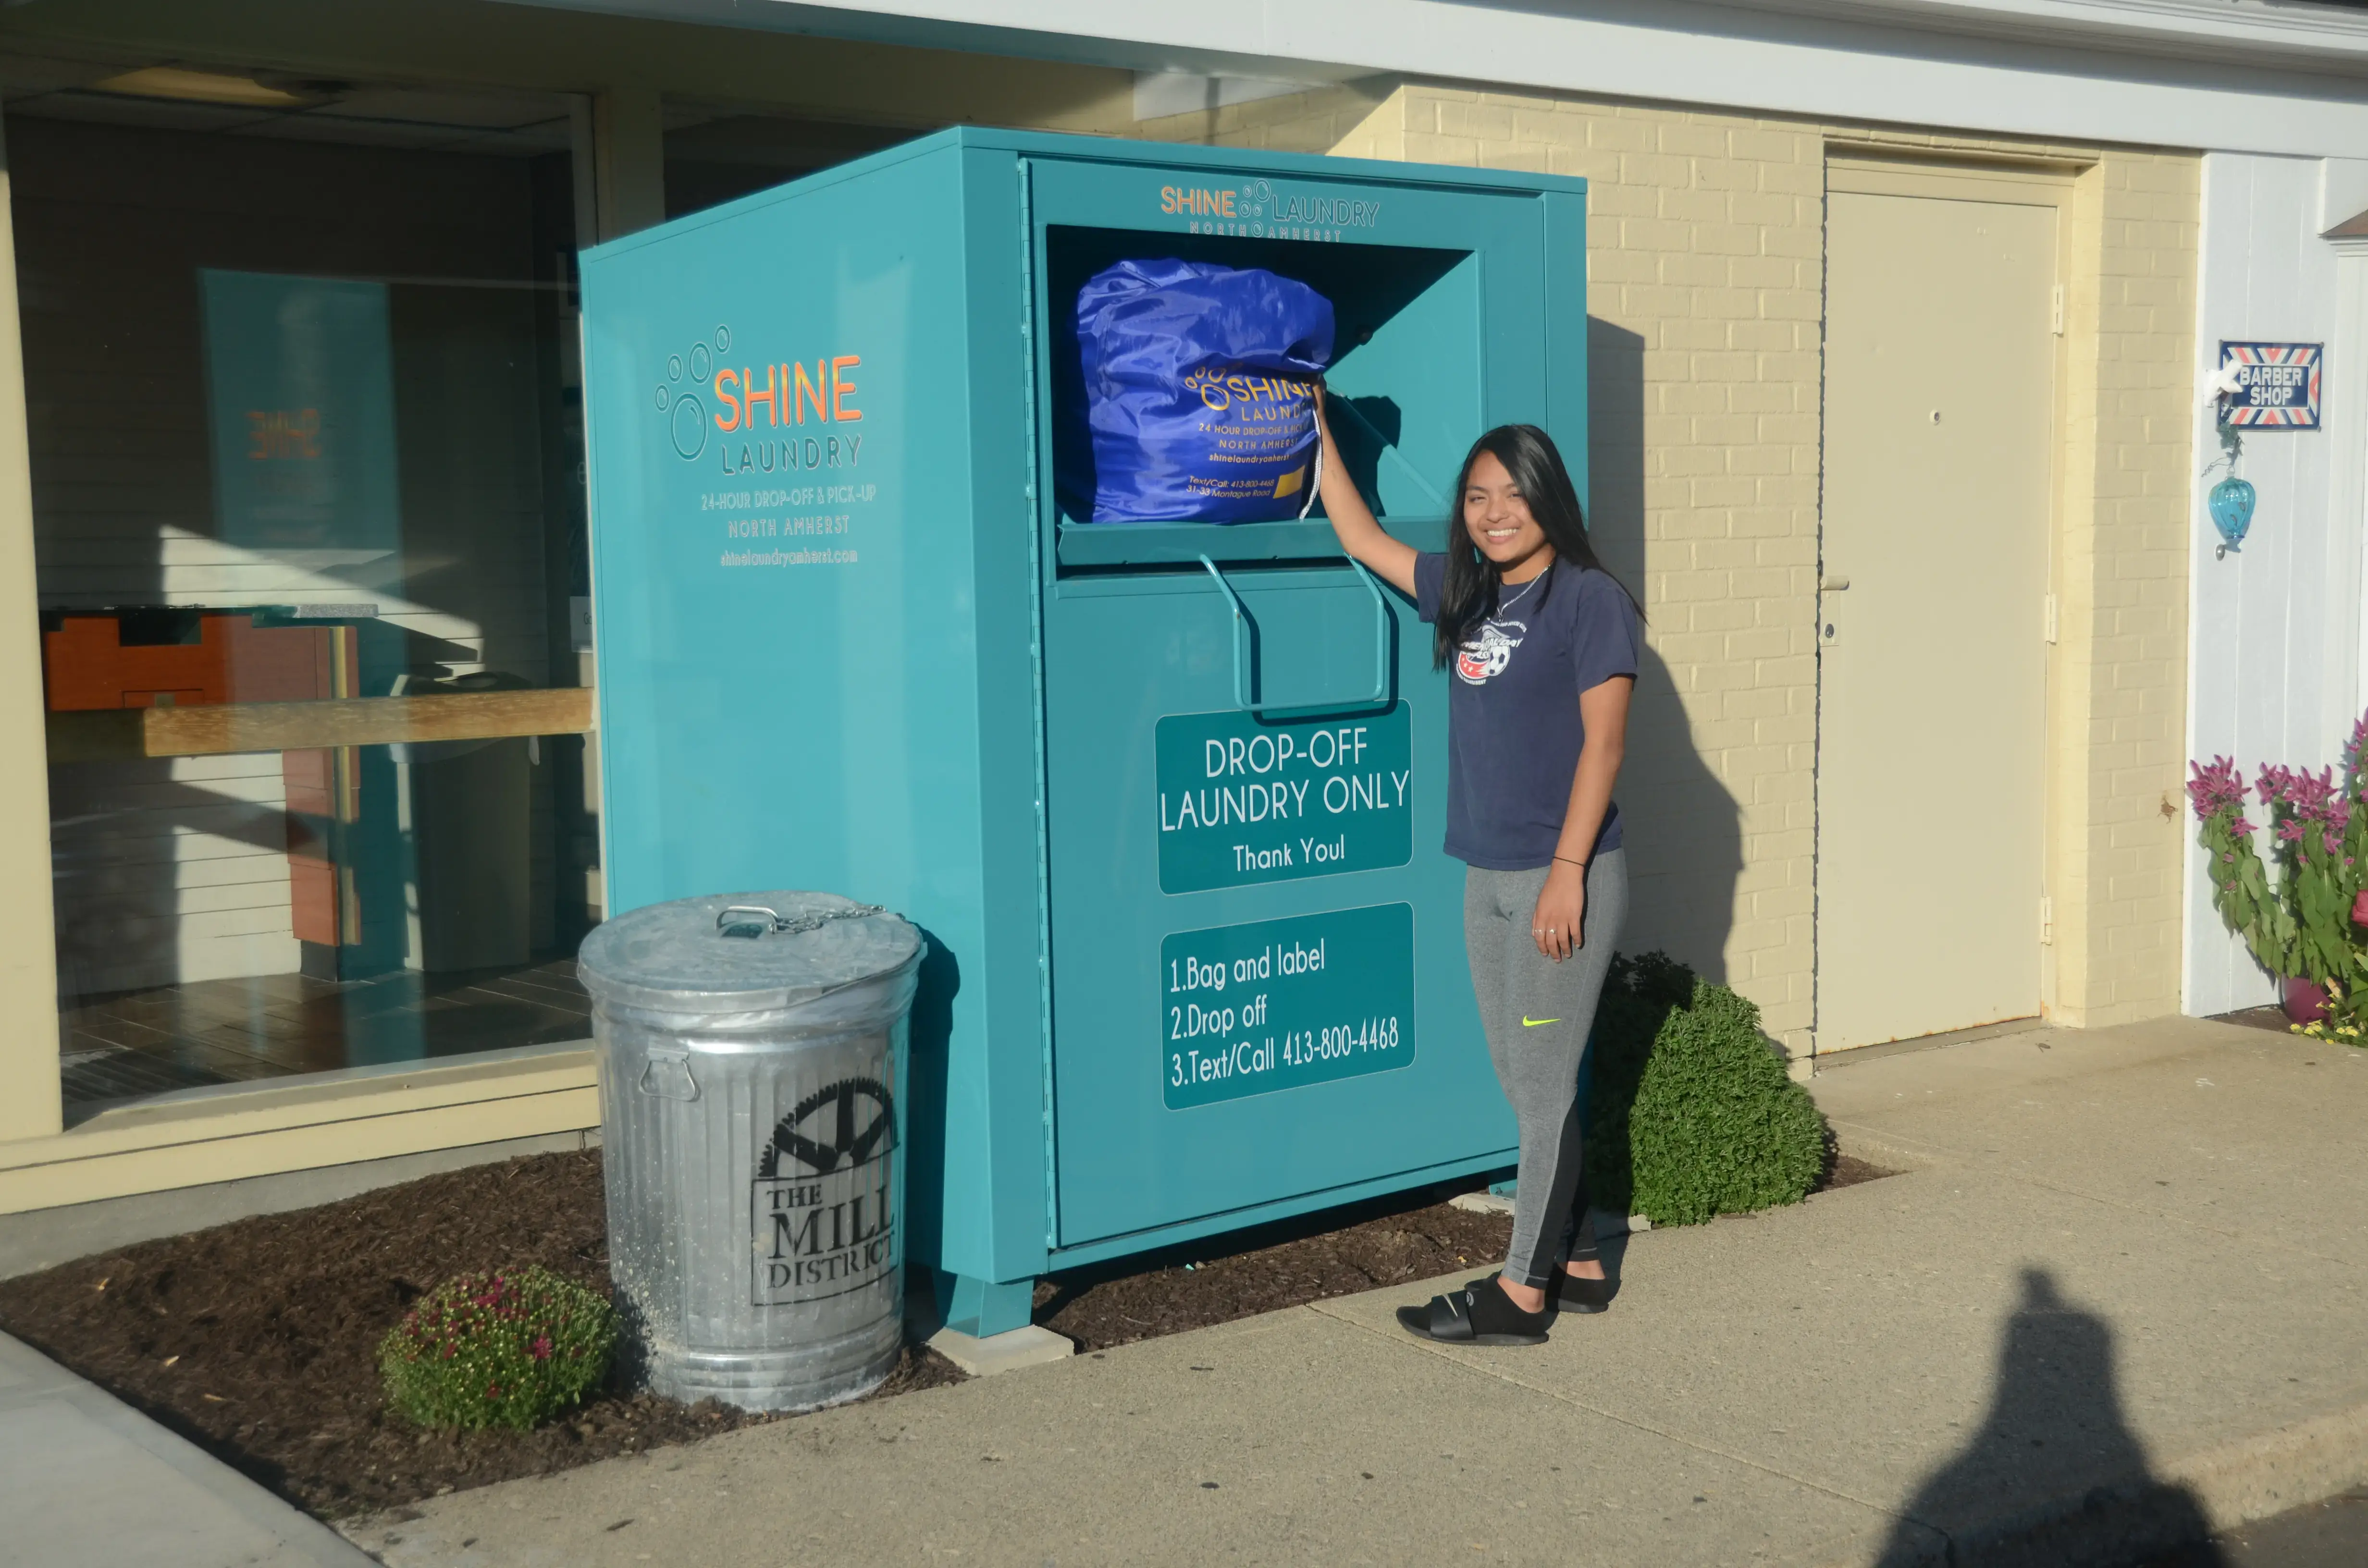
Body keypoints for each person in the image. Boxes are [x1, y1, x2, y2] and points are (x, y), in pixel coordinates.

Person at [1312, 397, 1641, 1348]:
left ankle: (1519, 1295)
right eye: (1474, 497)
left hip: (1558, 877)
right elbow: (1362, 535)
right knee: (1522, 1078)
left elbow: (1605, 747)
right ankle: (1577, 1260)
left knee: (1540, 1088)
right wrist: (1316, 426)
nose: (1492, 512)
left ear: (1548, 499)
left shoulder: (1589, 599)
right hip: (1483, 876)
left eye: (1510, 495)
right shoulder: (1465, 589)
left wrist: (1567, 873)